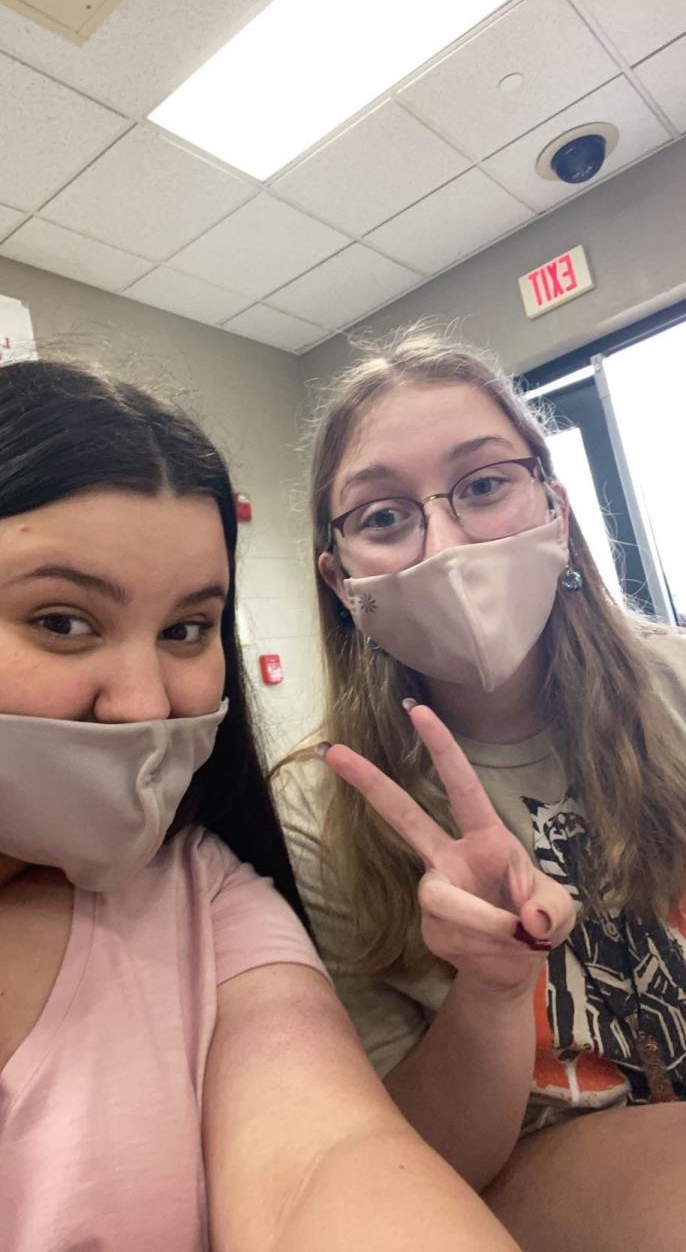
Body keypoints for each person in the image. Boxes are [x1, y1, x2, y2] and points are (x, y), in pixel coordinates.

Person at [0, 358, 523, 1252]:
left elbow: (328, 1160)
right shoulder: (318, 806)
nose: (144, 703)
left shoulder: (206, 893)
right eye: (61, 620)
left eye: (186, 629)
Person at [273, 326, 686, 1252]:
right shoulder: (321, 811)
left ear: (555, 507)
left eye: (486, 484)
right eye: (384, 515)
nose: (447, 545)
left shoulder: (677, 687)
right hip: (525, 1184)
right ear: (341, 583)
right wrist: (494, 993)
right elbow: (420, 1170)